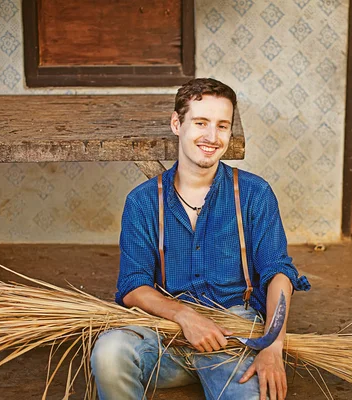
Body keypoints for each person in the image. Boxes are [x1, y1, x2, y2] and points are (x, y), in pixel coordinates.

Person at [91, 78, 310, 400]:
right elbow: (133, 285)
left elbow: (278, 272)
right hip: (165, 335)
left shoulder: (254, 193)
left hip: (233, 333)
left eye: (222, 126)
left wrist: (271, 345)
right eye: (201, 123)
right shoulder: (143, 202)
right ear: (177, 124)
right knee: (109, 353)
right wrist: (185, 316)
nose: (211, 137)